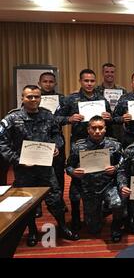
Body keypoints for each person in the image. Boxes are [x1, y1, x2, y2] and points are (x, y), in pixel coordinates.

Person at [0, 85, 79, 246]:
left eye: (36, 96)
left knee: (55, 198)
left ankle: (62, 227)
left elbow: (56, 134)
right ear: (22, 98)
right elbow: (2, 143)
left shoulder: (47, 115)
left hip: (45, 167)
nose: (33, 100)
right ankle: (33, 231)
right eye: (29, 97)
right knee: (28, 202)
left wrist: (56, 146)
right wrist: (17, 159)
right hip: (24, 169)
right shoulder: (12, 118)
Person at [55, 68, 112, 230]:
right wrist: (69, 118)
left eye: (92, 81)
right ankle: (74, 217)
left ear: (95, 81)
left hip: (100, 145)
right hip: (79, 146)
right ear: (80, 81)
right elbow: (54, 118)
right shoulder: (70, 99)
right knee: (78, 178)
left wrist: (109, 117)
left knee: (100, 177)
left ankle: (99, 210)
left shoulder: (102, 100)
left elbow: (109, 123)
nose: (89, 84)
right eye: (86, 81)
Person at [66, 116, 124, 242]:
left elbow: (123, 163)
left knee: (117, 203)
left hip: (108, 185)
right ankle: (101, 211)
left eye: (100, 128)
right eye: (94, 128)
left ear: (105, 129)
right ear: (88, 129)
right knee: (93, 229)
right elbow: (68, 167)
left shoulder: (114, 145)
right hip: (89, 188)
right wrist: (74, 172)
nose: (97, 131)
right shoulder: (78, 146)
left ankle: (116, 226)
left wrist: (115, 168)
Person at [37, 72, 67, 213]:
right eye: (45, 81)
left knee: (58, 172)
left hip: (56, 139)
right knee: (36, 174)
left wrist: (55, 119)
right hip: (37, 141)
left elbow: (66, 117)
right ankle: (36, 206)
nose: (48, 84)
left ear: (55, 83)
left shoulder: (61, 98)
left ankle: (59, 201)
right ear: (39, 83)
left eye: (51, 81)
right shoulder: (34, 96)